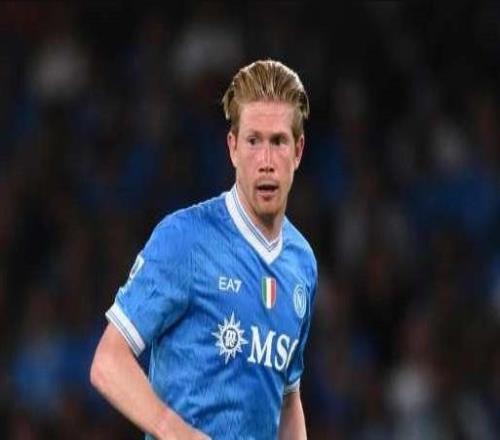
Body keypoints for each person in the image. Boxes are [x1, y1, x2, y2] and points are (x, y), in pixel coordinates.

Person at [90, 59, 318, 440]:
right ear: (233, 148)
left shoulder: (302, 263)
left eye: (278, 141)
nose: (265, 161)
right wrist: (176, 431)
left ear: (298, 151)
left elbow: (288, 401)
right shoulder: (185, 239)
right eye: (253, 141)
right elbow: (108, 361)